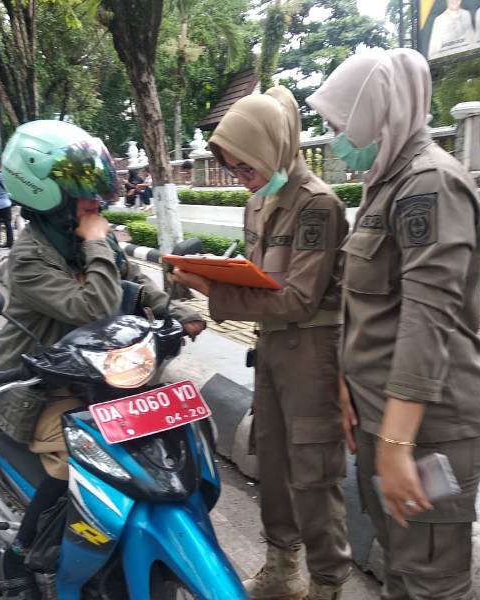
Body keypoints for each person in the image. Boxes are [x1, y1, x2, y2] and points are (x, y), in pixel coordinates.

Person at [0, 120, 206, 599]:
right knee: (78, 461)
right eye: (81, 191)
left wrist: (176, 310)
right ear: (44, 194)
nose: (95, 201)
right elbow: (95, 308)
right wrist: (97, 242)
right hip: (36, 383)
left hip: (99, 370)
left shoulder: (83, 235)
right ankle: (19, 555)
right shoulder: (30, 256)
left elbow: (129, 282)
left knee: (160, 440)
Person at [307, 48, 480, 600]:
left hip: (428, 429)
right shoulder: (385, 182)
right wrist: (347, 387)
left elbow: (425, 320)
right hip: (384, 416)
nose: (336, 137)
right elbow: (364, 306)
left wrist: (395, 444)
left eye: (341, 123)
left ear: (380, 110)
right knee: (399, 562)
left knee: (429, 580)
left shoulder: (428, 184)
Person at [173, 86, 352, 600]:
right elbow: (262, 280)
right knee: (271, 460)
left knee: (313, 472)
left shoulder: (317, 204)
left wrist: (215, 291)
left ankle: (327, 584)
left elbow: (298, 298)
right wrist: (219, 273)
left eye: (245, 166)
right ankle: (282, 569)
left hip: (313, 355)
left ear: (271, 147)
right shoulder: (257, 203)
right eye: (232, 169)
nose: (241, 178)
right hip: (271, 349)